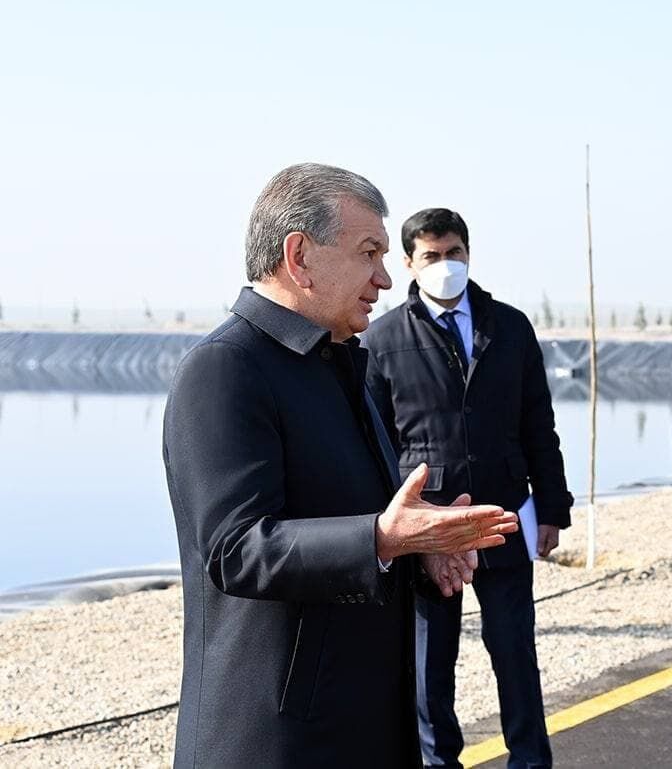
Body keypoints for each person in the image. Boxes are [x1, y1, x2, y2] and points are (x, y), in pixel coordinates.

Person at [163, 163, 518, 768]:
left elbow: (353, 520)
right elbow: (236, 549)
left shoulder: (340, 364)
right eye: (368, 253)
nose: (385, 277)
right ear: (299, 256)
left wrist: (421, 550)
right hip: (279, 742)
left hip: (360, 725)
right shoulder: (226, 368)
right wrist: (383, 537)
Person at [363, 208, 573, 769]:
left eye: (454, 252)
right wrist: (391, 530)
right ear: (409, 263)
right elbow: (376, 444)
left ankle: (530, 761)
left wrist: (553, 507)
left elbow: (538, 423)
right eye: (432, 255)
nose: (445, 264)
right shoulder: (382, 339)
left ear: (469, 254)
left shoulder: (510, 327)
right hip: (428, 530)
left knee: (515, 655)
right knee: (430, 665)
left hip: (503, 517)